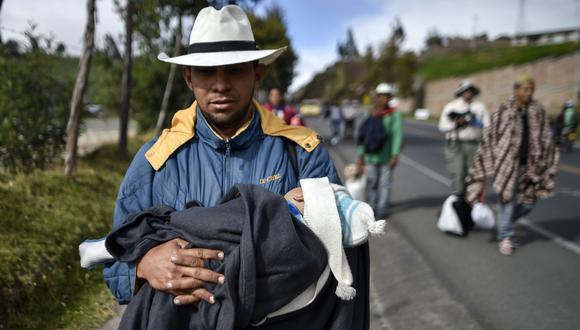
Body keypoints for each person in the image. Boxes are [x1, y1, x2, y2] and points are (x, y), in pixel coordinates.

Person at [102, 5, 369, 329]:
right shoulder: (155, 162)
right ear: (189, 77)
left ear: (258, 73)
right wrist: (143, 265)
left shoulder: (302, 152)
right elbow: (116, 259)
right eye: (206, 72)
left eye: (235, 70)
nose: (220, 84)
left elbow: (336, 255)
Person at [465, 75, 559, 255]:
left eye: (531, 89)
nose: (529, 93)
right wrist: (486, 161)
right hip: (507, 164)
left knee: (529, 202)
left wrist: (549, 159)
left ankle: (503, 223)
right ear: (516, 90)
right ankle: (505, 236)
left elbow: (545, 137)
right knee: (507, 200)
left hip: (531, 164)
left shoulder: (537, 110)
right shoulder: (504, 111)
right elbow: (491, 137)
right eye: (525, 89)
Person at [356, 82, 403, 218]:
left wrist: (394, 155)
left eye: (387, 96)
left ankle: (382, 209)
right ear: (376, 97)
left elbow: (397, 135)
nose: (384, 99)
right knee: (371, 183)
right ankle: (372, 207)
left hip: (386, 156)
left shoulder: (394, 115)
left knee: (385, 184)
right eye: (382, 96)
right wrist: (360, 156)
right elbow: (362, 136)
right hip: (370, 156)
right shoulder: (369, 114)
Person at [438, 80, 489, 198]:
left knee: (473, 174)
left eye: (470, 91)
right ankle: (457, 199)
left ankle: (471, 200)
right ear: (461, 92)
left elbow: (488, 125)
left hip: (474, 143)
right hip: (456, 143)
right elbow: (442, 126)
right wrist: (457, 123)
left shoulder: (479, 107)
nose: (468, 93)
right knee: (458, 172)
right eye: (466, 91)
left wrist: (475, 122)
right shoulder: (451, 107)